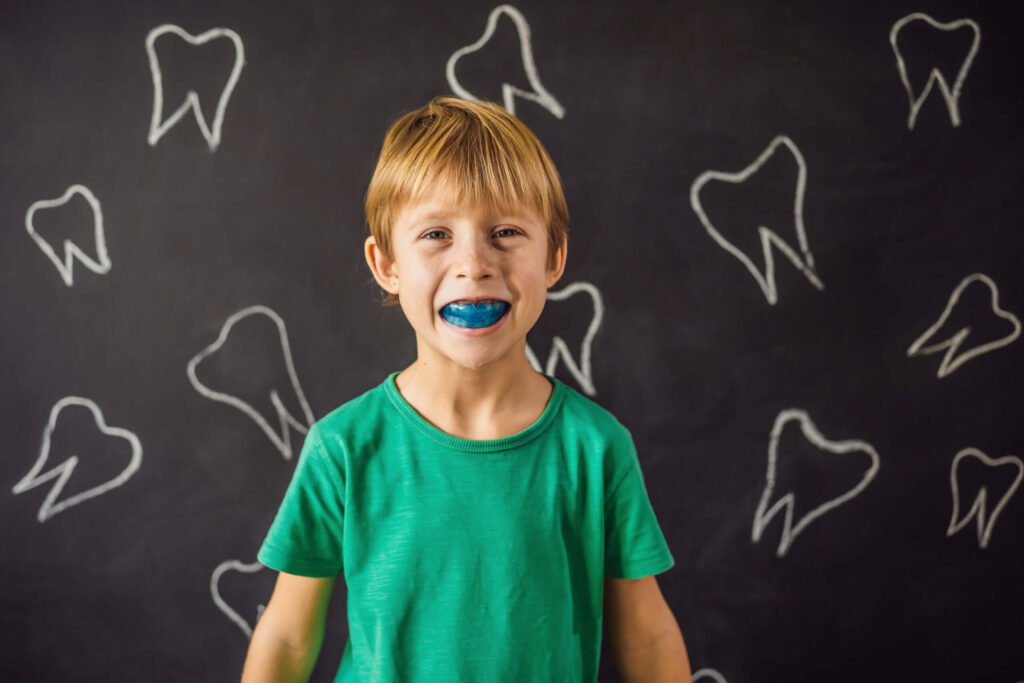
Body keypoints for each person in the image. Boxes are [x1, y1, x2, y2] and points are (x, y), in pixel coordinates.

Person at [241, 96, 691, 682]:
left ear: (554, 256)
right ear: (386, 265)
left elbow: (649, 636)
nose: (474, 263)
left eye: (505, 232)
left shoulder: (596, 448)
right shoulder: (343, 448)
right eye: (435, 234)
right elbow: (286, 637)